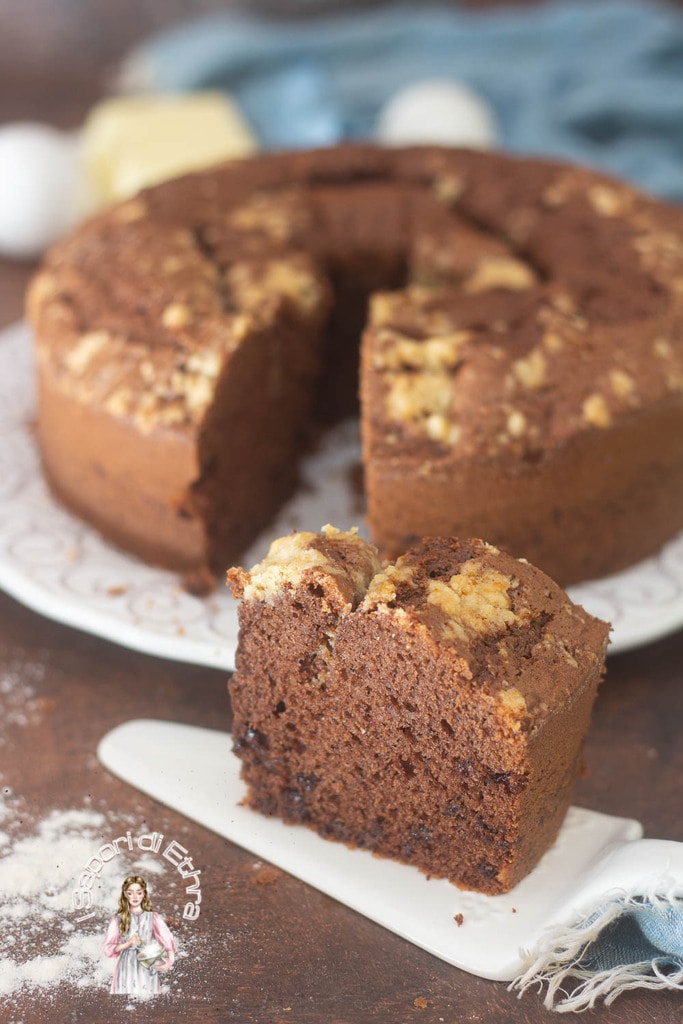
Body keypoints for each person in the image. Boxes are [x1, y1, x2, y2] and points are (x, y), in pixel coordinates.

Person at [103, 875, 175, 996]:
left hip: (147, 960)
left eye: (139, 892)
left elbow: (167, 939)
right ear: (125, 895)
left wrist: (169, 961)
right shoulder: (118, 918)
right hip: (126, 965)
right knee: (125, 996)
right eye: (130, 893)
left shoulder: (152, 917)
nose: (135, 897)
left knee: (148, 996)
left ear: (144, 894)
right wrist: (128, 943)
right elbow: (108, 947)